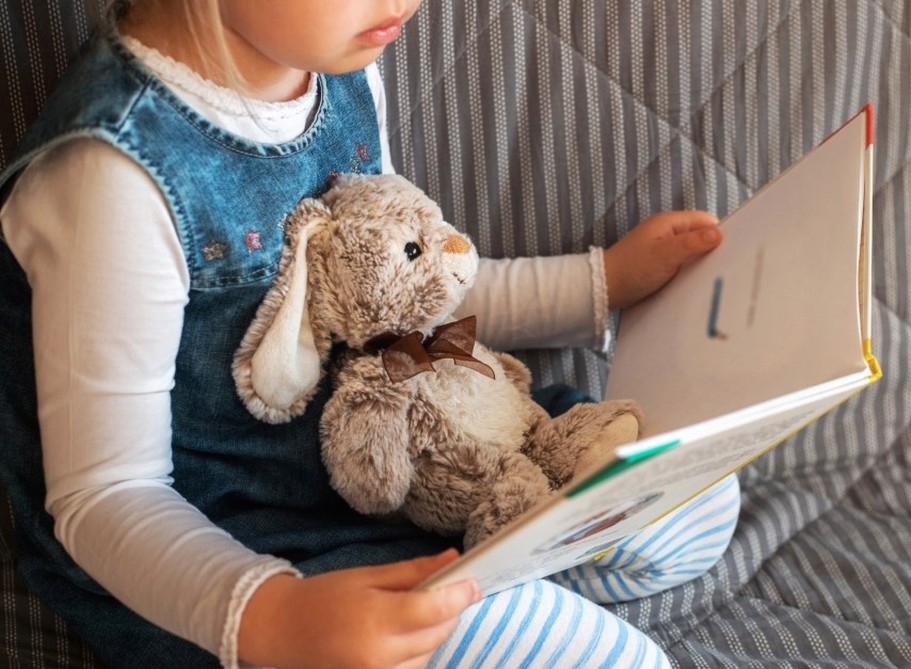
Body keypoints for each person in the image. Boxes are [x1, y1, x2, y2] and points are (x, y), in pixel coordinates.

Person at [0, 1, 742, 667]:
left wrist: (600, 283)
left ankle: (507, 536)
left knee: (702, 496)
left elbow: (412, 295)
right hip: (241, 557)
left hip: (410, 458)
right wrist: (273, 616)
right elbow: (106, 497)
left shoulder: (338, 70)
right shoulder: (111, 173)